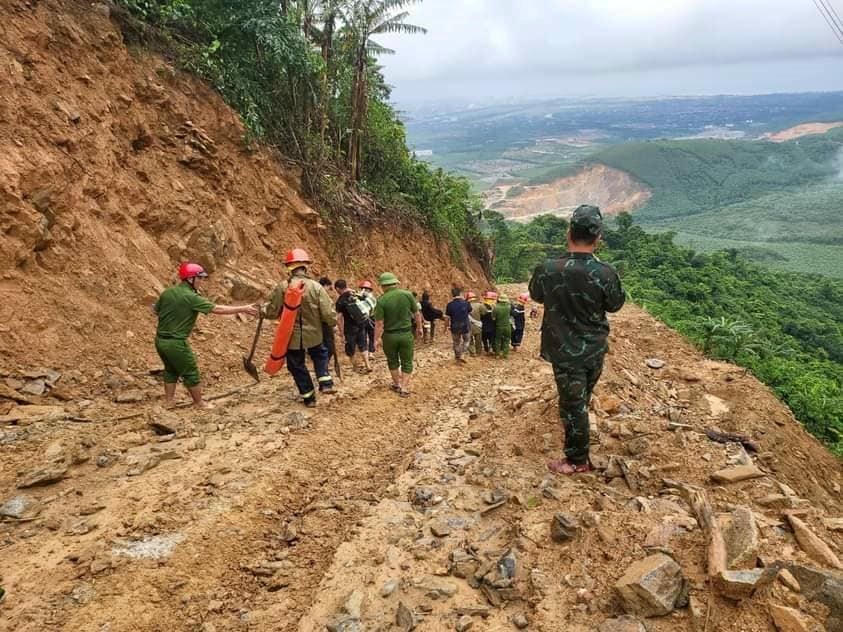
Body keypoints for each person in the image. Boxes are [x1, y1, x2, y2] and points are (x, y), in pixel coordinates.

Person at [528, 204, 625, 475]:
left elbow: (536, 296)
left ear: (568, 232)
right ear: (598, 238)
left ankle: (577, 460)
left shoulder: (547, 268)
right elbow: (615, 305)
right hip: (594, 348)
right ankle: (578, 441)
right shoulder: (606, 273)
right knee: (578, 400)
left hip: (562, 350)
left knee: (573, 405)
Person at [154, 262, 257, 409]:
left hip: (160, 341)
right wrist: (243, 308)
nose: (202, 281)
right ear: (190, 279)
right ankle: (199, 403)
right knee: (191, 371)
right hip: (176, 343)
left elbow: (156, 311)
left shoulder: (167, 292)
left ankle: (169, 401)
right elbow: (217, 309)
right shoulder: (191, 297)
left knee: (171, 370)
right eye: (200, 278)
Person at [265, 249, 337, 408]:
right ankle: (325, 382)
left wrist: (261, 310)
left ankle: (309, 397)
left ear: (289, 267)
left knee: (296, 365)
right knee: (320, 355)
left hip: (292, 338)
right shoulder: (317, 287)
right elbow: (327, 313)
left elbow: (271, 311)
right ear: (305, 267)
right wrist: (332, 322)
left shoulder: (283, 287)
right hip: (315, 335)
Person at [372, 272, 422, 397]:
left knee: (392, 360)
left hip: (389, 336)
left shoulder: (381, 300)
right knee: (407, 361)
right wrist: (419, 327)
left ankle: (397, 384)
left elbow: (379, 323)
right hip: (406, 334)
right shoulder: (408, 295)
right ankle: (404, 388)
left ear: (383, 286)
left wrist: (376, 339)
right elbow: (416, 313)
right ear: (395, 283)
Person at [335, 279, 372, 373]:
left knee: (350, 347)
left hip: (349, 327)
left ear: (337, 288)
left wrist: (341, 332)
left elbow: (339, 318)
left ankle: (355, 367)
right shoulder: (355, 294)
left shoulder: (340, 300)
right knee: (363, 344)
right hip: (361, 323)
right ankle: (368, 365)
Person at [444, 287, 472, 364]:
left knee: (456, 342)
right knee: (466, 340)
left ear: (452, 295)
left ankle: (457, 357)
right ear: (460, 294)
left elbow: (447, 318)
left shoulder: (449, 305)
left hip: (454, 326)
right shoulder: (466, 303)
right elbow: (470, 311)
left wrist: (445, 327)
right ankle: (463, 354)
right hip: (465, 326)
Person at [359, 280, 378, 355]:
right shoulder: (358, 298)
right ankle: (366, 353)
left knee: (372, 335)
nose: (364, 290)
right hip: (363, 319)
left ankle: (371, 352)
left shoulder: (372, 298)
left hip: (371, 318)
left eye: (366, 289)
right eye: (363, 288)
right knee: (363, 336)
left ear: (369, 290)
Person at [492, 294, 513, 359]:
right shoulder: (509, 307)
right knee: (507, 340)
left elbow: (493, 318)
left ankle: (497, 354)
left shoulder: (495, 307)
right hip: (507, 326)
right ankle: (505, 354)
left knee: (497, 340)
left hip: (499, 326)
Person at [466, 291, 484, 357]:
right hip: (478, 325)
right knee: (478, 340)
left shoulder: (465, 306)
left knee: (470, 339)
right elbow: (484, 313)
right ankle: (478, 352)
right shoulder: (479, 305)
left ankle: (472, 352)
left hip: (468, 326)